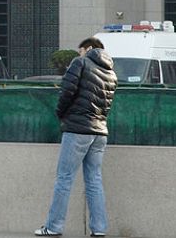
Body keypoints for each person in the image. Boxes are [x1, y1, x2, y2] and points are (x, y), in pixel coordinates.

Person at [35, 37, 117, 237]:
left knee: (64, 178)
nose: (79, 54)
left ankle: (53, 227)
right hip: (100, 131)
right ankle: (99, 229)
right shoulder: (111, 72)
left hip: (77, 129)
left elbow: (67, 91)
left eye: (80, 50)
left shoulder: (80, 63)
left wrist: (61, 114)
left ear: (88, 48)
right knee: (94, 180)